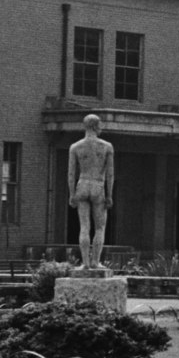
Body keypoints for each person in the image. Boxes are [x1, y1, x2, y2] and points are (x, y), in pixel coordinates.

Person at [67, 114, 115, 271]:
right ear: (95, 126)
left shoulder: (75, 147)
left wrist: (71, 193)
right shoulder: (107, 146)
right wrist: (109, 194)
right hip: (97, 185)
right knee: (100, 227)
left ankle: (85, 263)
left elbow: (71, 174)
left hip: (82, 184)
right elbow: (110, 174)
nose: (101, 127)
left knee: (84, 226)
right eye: (100, 124)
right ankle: (95, 261)